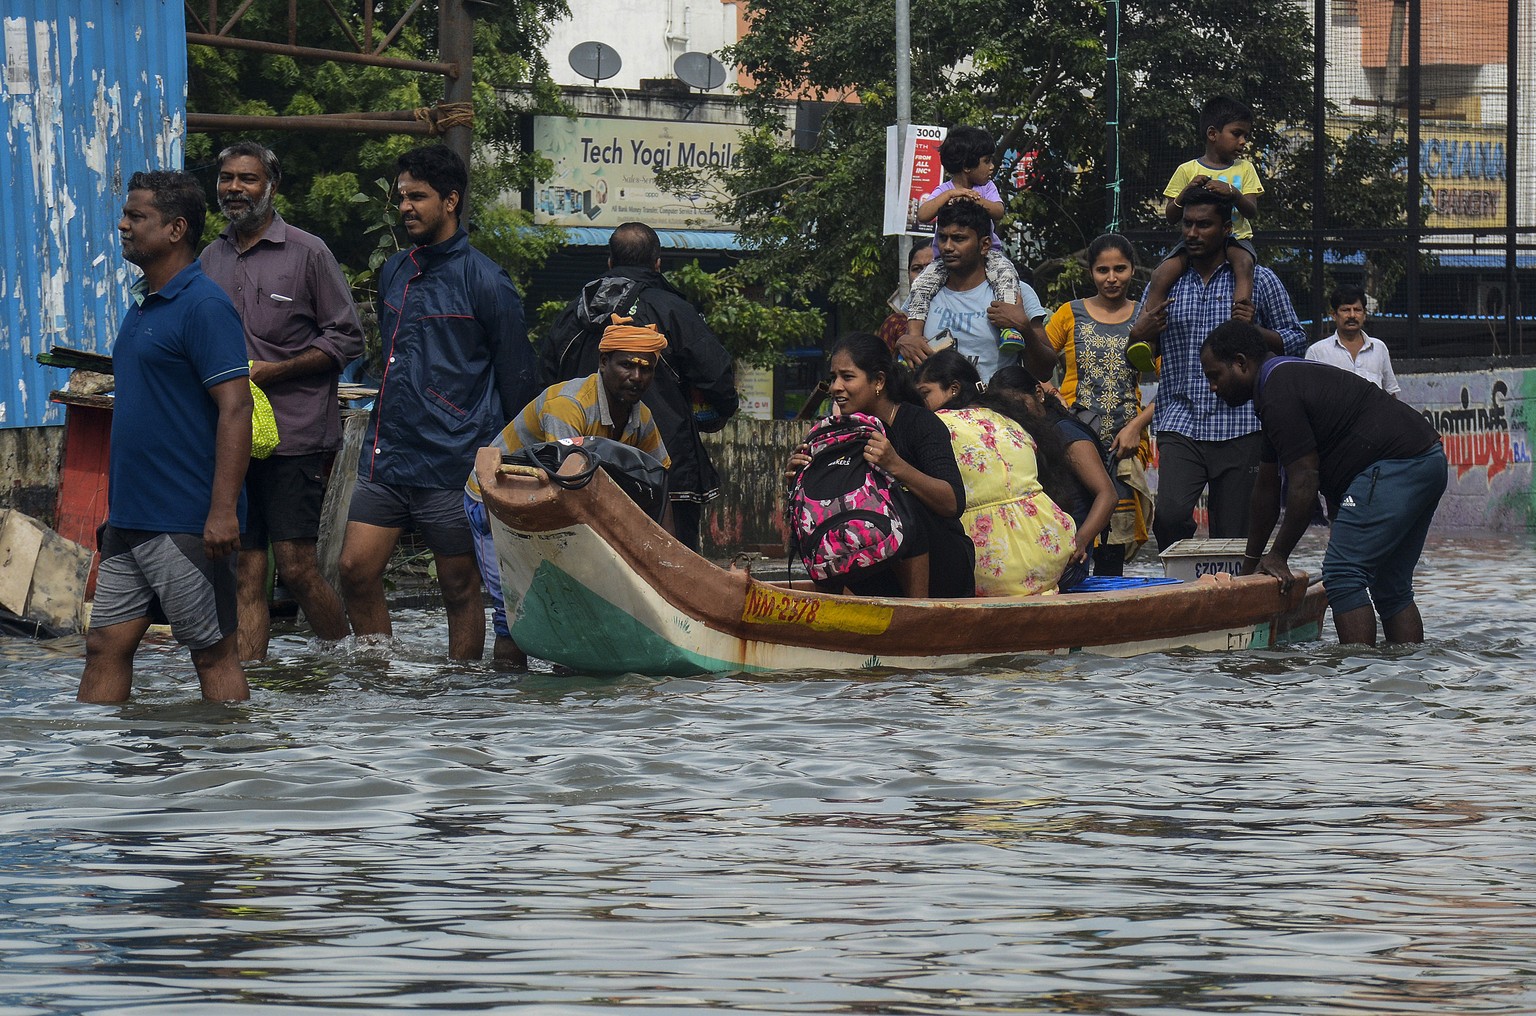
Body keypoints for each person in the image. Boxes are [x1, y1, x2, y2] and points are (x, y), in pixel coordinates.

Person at [337, 144, 538, 660]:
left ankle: (460, 690)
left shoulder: (488, 282)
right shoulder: (394, 272)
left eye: (418, 196)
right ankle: (378, 677)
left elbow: (518, 381)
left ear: (451, 201)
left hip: (455, 461)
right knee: (354, 570)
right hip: (388, 455)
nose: (406, 206)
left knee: (457, 586)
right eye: (401, 196)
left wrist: (507, 463)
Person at [76, 171, 254, 704]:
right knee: (104, 645)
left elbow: (237, 407)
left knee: (211, 652)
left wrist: (223, 511)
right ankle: (96, 770)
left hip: (185, 519)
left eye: (138, 216)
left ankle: (230, 773)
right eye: (126, 214)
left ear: (176, 229)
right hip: (130, 519)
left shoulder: (203, 305)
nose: (124, 224)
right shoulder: (143, 305)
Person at [200, 141, 365, 661]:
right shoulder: (210, 256)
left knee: (295, 566)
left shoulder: (308, 252)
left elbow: (346, 338)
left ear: (273, 186)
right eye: (227, 178)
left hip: (293, 434)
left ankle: (350, 667)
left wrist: (277, 371)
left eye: (246, 179)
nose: (234, 188)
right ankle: (252, 685)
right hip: (232, 436)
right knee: (245, 565)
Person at [1201, 320, 1446, 645]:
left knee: (1343, 575)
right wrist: (1250, 566)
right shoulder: (1276, 383)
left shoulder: (1278, 390)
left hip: (1395, 465)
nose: (1212, 387)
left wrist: (1278, 555)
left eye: (1215, 375)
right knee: (1391, 586)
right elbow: (1266, 490)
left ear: (1241, 363)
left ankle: (1359, 679)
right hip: (1427, 460)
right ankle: (1402, 680)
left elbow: (1304, 482)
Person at [466, 317, 672, 667]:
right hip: (498, 504)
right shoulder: (568, 405)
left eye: (646, 369)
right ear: (603, 363)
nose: (636, 377)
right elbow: (563, 488)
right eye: (626, 365)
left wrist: (667, 562)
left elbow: (660, 482)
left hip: (556, 508)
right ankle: (507, 700)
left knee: (579, 614)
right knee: (515, 615)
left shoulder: (642, 418)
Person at [538, 222, 738, 553]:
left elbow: (542, 381)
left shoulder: (573, 314)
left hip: (581, 471)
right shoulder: (671, 309)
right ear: (657, 263)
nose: (635, 376)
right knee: (673, 568)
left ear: (610, 262)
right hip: (666, 465)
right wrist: (718, 412)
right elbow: (716, 376)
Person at [1125, 189, 1308, 550]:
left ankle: (1224, 597)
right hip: (1180, 420)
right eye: (1188, 224)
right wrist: (1139, 336)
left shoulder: (1261, 280)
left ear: (1226, 229)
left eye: (1204, 225)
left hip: (1242, 424)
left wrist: (1257, 332)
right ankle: (1184, 593)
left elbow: (1297, 341)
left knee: (1232, 534)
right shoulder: (1164, 283)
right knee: (1170, 517)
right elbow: (1135, 354)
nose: (1192, 233)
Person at [785, 333, 974, 598]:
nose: (836, 387)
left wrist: (896, 465)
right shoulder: (834, 435)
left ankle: (916, 615)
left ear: (879, 381)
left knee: (902, 505)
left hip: (942, 565)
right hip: (878, 567)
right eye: (833, 378)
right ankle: (830, 618)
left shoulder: (920, 424)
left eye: (847, 377)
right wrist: (801, 480)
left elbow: (953, 503)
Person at [914, 351, 1076, 596]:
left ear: (954, 388)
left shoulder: (937, 424)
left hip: (990, 563)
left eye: (925, 393)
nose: (921, 403)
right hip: (1051, 548)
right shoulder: (1008, 418)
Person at [1043, 233, 1156, 574]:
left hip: (1124, 445)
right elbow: (1036, 365)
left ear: (1132, 270)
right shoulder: (1069, 314)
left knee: (1113, 543)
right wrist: (1053, 395)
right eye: (1102, 270)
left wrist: (1137, 425)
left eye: (1120, 269)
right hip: (1075, 441)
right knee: (1071, 525)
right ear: (1090, 272)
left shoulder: (1145, 318)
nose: (1111, 278)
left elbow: (1173, 383)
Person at [1131, 96, 1264, 370]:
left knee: (1244, 264)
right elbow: (1170, 214)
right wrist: (1186, 192)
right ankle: (1147, 342)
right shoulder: (1187, 169)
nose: (1243, 142)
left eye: (1245, 136)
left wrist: (1233, 193)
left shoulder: (1245, 169)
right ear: (1213, 134)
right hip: (1193, 244)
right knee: (1160, 274)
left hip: (1236, 238)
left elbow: (1251, 210)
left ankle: (1240, 326)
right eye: (1237, 134)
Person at [896, 198, 1056, 384]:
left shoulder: (1017, 293)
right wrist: (904, 343)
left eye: (959, 238)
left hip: (995, 407)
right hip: (935, 409)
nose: (947, 247)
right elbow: (906, 349)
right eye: (942, 237)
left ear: (985, 245)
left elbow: (1045, 372)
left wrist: (1024, 328)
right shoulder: (924, 293)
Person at [987, 367, 1118, 592]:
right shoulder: (1018, 435)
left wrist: (1080, 541)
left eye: (1019, 406)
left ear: (1039, 393)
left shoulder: (1066, 433)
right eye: (1005, 410)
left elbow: (1107, 495)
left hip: (1068, 559)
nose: (1014, 414)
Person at [903, 125, 1024, 354]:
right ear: (968, 167)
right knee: (921, 286)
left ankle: (1009, 329)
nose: (992, 167)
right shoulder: (945, 189)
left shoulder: (986, 188)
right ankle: (914, 337)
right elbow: (923, 214)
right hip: (943, 262)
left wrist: (976, 200)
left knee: (1007, 276)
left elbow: (998, 211)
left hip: (989, 256)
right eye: (986, 161)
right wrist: (951, 195)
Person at [1305, 285, 1399, 395]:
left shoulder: (1379, 348)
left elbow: (1391, 391)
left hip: (1373, 412)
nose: (1352, 315)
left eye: (1357, 310)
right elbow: (1309, 394)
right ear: (1334, 315)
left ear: (1364, 314)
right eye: (1345, 310)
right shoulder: (1317, 352)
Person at [877, 243, 935, 353]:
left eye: (931, 267)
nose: (923, 275)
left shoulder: (961, 316)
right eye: (917, 269)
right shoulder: (895, 324)